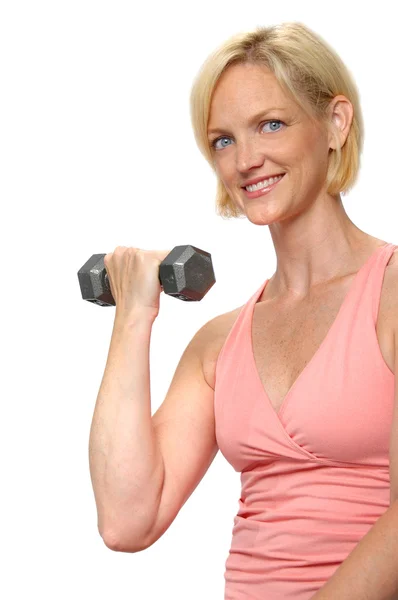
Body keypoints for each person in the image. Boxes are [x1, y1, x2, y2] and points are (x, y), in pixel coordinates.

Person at [88, 21, 398, 599]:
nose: (245, 160)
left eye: (271, 124)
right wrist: (133, 317)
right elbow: (127, 520)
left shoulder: (392, 296)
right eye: (223, 140)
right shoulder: (218, 344)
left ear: (335, 123)